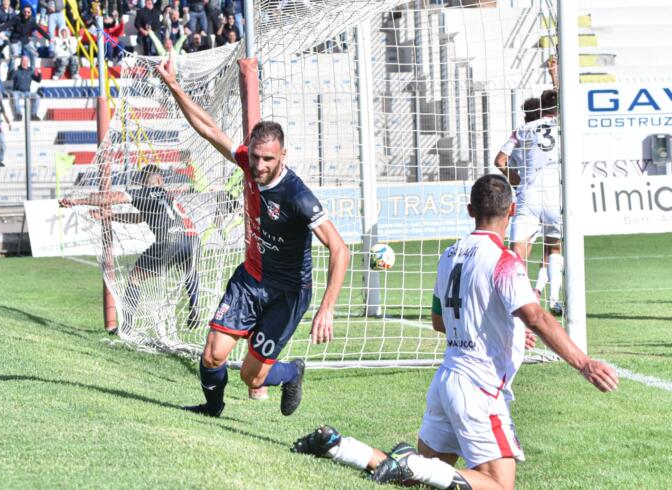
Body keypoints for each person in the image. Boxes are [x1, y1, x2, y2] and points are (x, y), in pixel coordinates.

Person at [292, 174, 618, 489]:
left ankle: (340, 446)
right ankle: (411, 461)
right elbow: (535, 317)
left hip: (447, 380)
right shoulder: (504, 260)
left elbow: (439, 321)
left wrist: (504, 331)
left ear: (470, 210)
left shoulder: (449, 255)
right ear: (512, 211)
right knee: (497, 485)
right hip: (479, 388)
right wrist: (584, 363)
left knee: (422, 477)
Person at [157, 53, 350, 418]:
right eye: (256, 157)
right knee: (213, 353)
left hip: (288, 293)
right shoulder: (246, 160)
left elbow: (339, 250)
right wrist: (173, 86)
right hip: (251, 279)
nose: (259, 166)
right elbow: (209, 128)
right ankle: (211, 411)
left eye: (268, 160)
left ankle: (292, 372)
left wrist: (327, 308)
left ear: (283, 156)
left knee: (252, 376)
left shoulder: (298, 197)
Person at [59, 163, 203, 336]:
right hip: (193, 238)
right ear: (160, 179)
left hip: (169, 240)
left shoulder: (145, 192)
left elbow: (112, 197)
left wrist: (77, 201)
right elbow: (139, 218)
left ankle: (127, 328)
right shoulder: (169, 196)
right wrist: (111, 216)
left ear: (146, 181)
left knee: (135, 277)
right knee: (189, 269)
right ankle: (195, 303)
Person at [494, 89, 563, 315]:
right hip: (556, 194)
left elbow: (500, 160)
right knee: (553, 247)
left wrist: (515, 177)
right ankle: (554, 301)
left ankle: (517, 303)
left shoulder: (522, 130)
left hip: (528, 194)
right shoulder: (563, 126)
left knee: (517, 253)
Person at [3, 5, 50, 75]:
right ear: (22, 11)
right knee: (15, 55)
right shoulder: (17, 18)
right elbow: (7, 25)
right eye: (25, 12)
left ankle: (32, 72)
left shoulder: (32, 21)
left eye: (28, 12)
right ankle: (11, 73)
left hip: (24, 39)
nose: (26, 14)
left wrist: (49, 38)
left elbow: (39, 29)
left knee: (34, 53)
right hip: (15, 39)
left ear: (31, 13)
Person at [11, 54, 40, 121]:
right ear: (21, 62)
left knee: (37, 96)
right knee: (14, 95)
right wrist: (13, 70)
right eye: (23, 60)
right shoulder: (17, 70)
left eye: (26, 61)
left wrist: (39, 74)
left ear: (28, 62)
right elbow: (10, 77)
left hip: (27, 92)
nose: (24, 62)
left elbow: (38, 80)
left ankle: (33, 115)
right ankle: (19, 115)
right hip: (17, 91)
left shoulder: (30, 71)